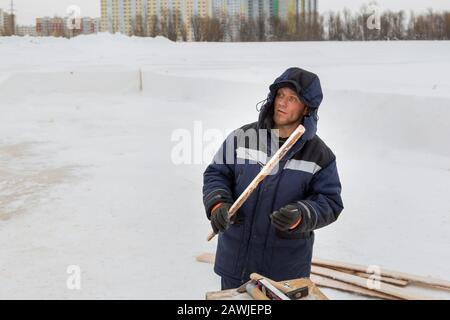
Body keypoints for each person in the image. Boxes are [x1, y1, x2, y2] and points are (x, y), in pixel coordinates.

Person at [203, 67, 344, 290]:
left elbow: (330, 202)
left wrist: (301, 214)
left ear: (307, 107)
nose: (282, 103)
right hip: (236, 263)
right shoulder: (242, 138)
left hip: (283, 272)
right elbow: (216, 174)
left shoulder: (319, 156)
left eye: (292, 98)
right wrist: (218, 204)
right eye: (280, 95)